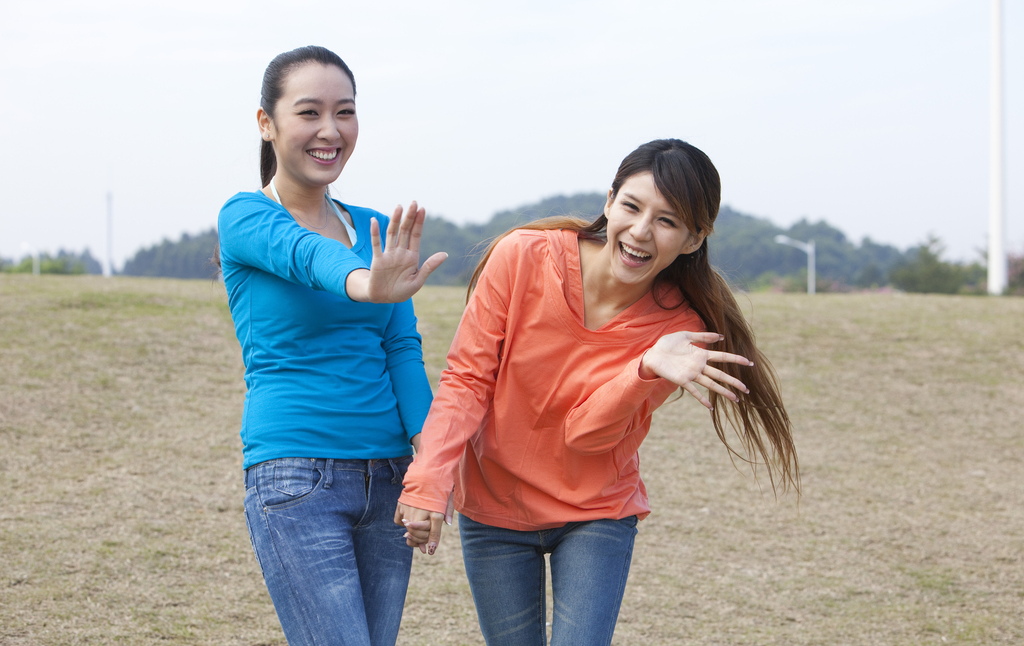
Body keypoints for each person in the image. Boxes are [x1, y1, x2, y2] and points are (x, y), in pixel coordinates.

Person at [395, 139, 799, 646]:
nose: (640, 231)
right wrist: (427, 483)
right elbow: (467, 379)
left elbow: (585, 436)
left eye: (668, 221)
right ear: (609, 201)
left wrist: (645, 369)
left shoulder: (679, 332)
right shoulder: (522, 255)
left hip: (595, 511)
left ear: (694, 239)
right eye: (631, 207)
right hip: (494, 506)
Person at [217, 46, 446, 646]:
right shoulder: (245, 217)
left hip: (391, 478)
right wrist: (366, 282)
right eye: (309, 112)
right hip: (296, 476)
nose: (330, 130)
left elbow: (402, 350)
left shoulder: (371, 224)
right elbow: (304, 255)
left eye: (344, 112)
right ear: (266, 124)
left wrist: (430, 466)